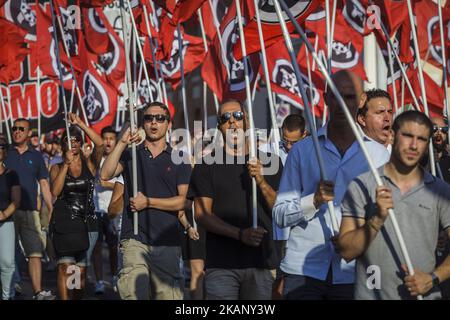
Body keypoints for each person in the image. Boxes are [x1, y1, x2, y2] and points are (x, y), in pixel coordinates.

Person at [272, 70, 390, 300]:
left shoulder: (378, 156)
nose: (342, 104)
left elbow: (386, 216)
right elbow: (279, 215)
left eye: (349, 97)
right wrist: (312, 201)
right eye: (335, 96)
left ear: (362, 100)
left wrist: (354, 236)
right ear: (325, 99)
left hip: (353, 272)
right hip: (304, 270)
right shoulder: (302, 151)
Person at [338, 110, 450, 300]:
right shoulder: (363, 185)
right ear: (392, 135)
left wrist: (433, 278)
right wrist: (376, 219)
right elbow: (346, 251)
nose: (414, 145)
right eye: (407, 136)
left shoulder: (440, 190)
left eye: (421, 139)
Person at [188, 99, 283, 300]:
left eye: (237, 116)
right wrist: (240, 234)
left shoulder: (271, 162)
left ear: (247, 120)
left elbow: (281, 210)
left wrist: (261, 181)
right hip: (222, 264)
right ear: (219, 126)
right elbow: (202, 214)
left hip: (261, 262)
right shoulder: (206, 165)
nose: (232, 122)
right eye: (225, 118)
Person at [101, 101, 191, 300]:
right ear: (143, 123)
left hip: (167, 240)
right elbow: (105, 174)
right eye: (149, 118)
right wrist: (122, 141)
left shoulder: (180, 158)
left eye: (160, 118)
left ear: (169, 124)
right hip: (134, 238)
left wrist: (148, 202)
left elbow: (184, 202)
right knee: (133, 295)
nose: (154, 122)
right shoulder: (131, 154)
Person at [49, 113, 104, 300]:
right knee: (65, 267)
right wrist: (66, 164)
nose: (72, 144)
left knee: (79, 272)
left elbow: (101, 144)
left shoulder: (90, 163)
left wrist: (80, 123)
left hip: (88, 224)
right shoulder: (56, 167)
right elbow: (55, 192)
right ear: (63, 145)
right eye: (68, 141)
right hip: (65, 223)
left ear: (81, 144)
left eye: (76, 141)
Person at [5, 118, 55, 300]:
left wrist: (51, 208)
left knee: (35, 252)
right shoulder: (5, 153)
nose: (17, 132)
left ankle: (37, 292)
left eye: (21, 129)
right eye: (15, 128)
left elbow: (44, 183)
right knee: (7, 254)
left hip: (30, 211)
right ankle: (11, 287)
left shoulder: (36, 156)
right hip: (7, 212)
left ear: (28, 133)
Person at [92, 126, 124, 295]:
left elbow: (124, 184)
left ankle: (114, 277)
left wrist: (108, 184)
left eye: (112, 138)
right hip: (96, 209)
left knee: (113, 248)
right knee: (97, 247)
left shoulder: (118, 160)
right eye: (105, 138)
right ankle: (98, 281)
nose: (108, 142)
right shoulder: (96, 158)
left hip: (113, 210)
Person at [0, 135, 21, 300]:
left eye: (2, 147)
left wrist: (4, 214)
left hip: (5, 221)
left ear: (5, 152)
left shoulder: (11, 174)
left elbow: (16, 200)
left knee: (7, 263)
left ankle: (7, 296)